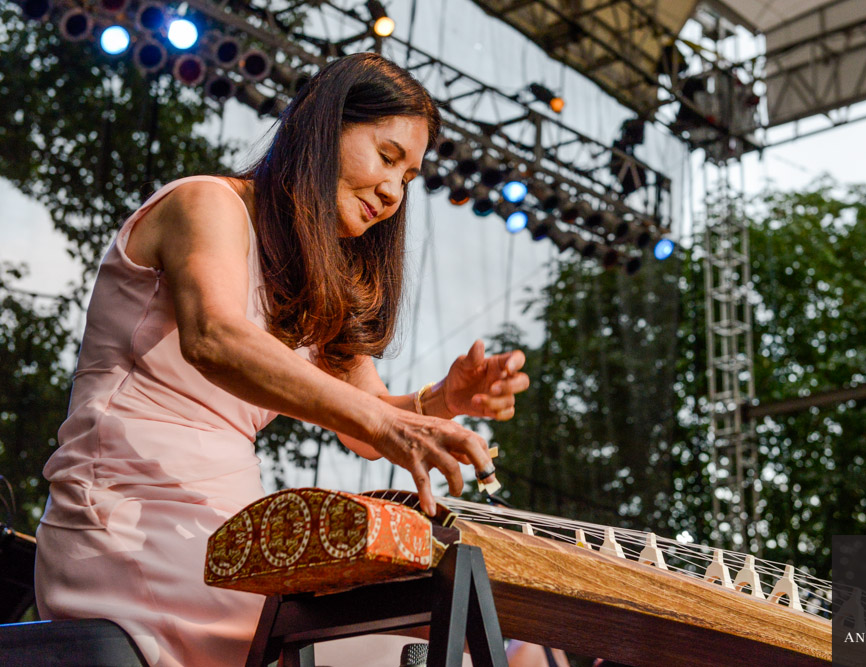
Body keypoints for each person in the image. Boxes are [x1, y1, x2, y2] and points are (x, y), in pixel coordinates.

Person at [34, 52, 529, 667]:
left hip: (230, 529)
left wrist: (441, 402)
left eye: (408, 178)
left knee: (466, 643)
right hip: (128, 515)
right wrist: (388, 423)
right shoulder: (206, 204)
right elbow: (216, 338)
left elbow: (367, 422)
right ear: (325, 129)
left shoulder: (316, 277)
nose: (393, 192)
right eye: (387, 157)